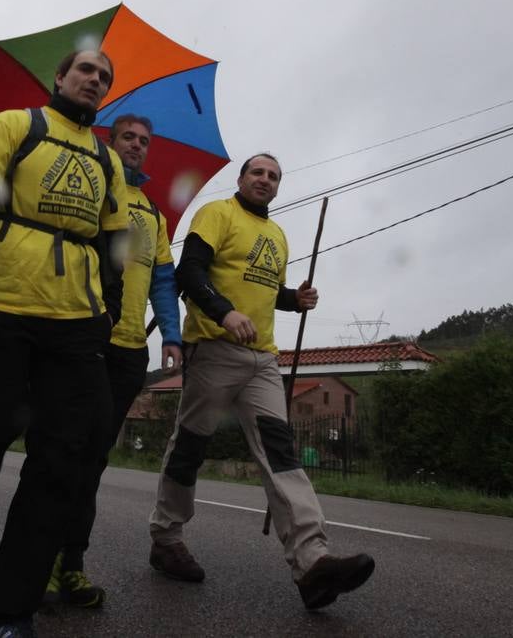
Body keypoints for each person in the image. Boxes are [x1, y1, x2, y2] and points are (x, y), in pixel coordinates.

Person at [0, 48, 127, 638]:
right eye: (87, 71)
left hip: (76, 329)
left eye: (105, 78)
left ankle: (9, 611)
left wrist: (107, 315)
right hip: (5, 312)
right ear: (60, 77)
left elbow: (115, 246)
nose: (96, 80)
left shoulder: (108, 161)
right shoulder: (16, 125)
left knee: (63, 463)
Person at [148, 154, 375, 610]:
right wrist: (224, 312)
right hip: (213, 350)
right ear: (242, 179)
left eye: (273, 176)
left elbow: (267, 292)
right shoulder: (216, 214)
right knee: (190, 446)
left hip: (263, 360)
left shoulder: (277, 235)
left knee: (281, 453)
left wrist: (296, 298)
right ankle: (167, 537)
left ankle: (312, 562)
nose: (265, 180)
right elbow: (190, 273)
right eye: (258, 172)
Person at [47, 114, 183, 609]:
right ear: (110, 140)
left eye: (145, 141)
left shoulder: (153, 212)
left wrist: (172, 334)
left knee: (93, 461)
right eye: (128, 137)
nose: (137, 146)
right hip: (82, 338)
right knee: (62, 452)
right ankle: (37, 565)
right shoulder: (92, 184)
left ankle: (71, 566)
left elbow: (164, 280)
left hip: (129, 351)